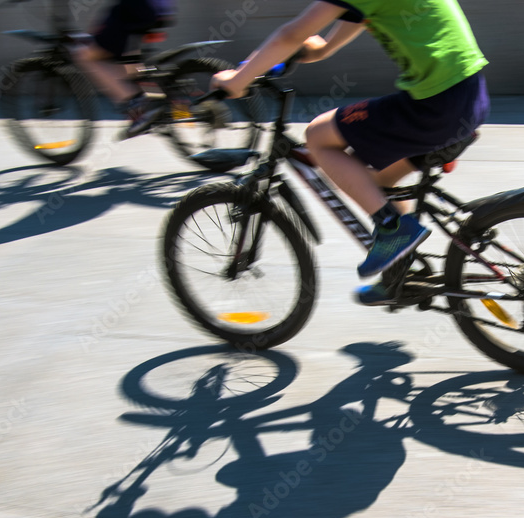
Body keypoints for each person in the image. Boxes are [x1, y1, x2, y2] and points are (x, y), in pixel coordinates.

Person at [210, 1, 489, 305]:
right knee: (375, 182)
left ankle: (392, 228)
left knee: (318, 136)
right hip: (468, 97)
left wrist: (237, 80)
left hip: (435, 106)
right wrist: (269, 60)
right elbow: (320, 47)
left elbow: (291, 34)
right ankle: (400, 275)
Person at [71, 0, 177, 138]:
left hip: (135, 8)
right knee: (126, 62)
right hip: (160, 10)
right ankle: (156, 100)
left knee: (84, 55)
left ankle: (135, 105)